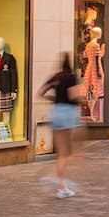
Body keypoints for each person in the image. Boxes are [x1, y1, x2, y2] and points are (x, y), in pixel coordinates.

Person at [37, 53, 81, 199]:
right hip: (68, 113)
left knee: (62, 153)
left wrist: (53, 98)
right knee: (69, 152)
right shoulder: (72, 77)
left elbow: (40, 92)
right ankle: (61, 184)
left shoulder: (56, 77)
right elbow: (73, 95)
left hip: (56, 112)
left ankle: (61, 185)